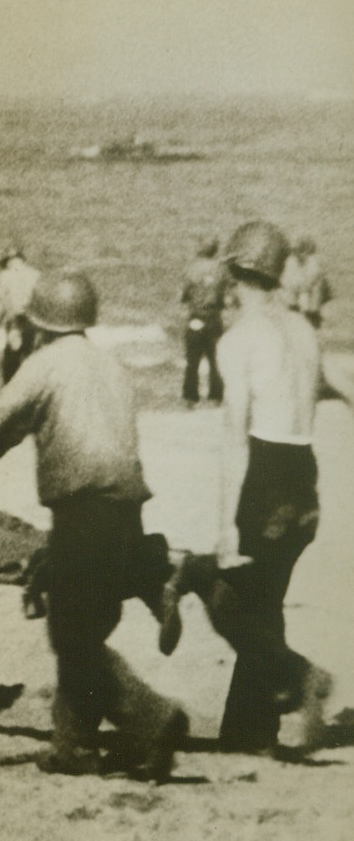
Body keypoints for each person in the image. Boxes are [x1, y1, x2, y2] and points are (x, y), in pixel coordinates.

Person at [0, 270, 189, 781]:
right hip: (128, 511)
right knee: (84, 625)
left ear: (39, 323)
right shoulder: (109, 365)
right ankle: (75, 747)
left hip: (83, 513)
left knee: (70, 633)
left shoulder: (44, 365)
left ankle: (153, 717)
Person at [165, 221, 333, 755]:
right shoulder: (304, 330)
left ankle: (303, 675)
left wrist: (224, 527)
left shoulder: (237, 340)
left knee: (229, 598)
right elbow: (323, 386)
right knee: (266, 600)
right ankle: (248, 729)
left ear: (234, 275)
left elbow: (235, 441)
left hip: (264, 475)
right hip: (304, 475)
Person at [178, 236, 227, 404]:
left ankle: (190, 397)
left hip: (196, 316)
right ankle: (215, 397)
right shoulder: (220, 268)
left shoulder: (192, 268)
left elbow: (184, 295)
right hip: (213, 316)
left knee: (192, 361)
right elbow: (224, 294)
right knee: (215, 361)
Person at [0, 243, 41, 383]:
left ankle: (10, 389)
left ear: (9, 261)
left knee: (11, 359)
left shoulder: (5, 276)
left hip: (15, 320)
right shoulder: (35, 274)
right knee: (30, 355)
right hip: (33, 320)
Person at [280, 236, 332, 330]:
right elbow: (286, 280)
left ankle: (313, 312)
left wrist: (302, 286)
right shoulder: (291, 261)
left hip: (310, 286)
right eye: (296, 252)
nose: (299, 255)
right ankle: (293, 309)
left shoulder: (314, 261)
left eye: (302, 252)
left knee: (317, 286)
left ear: (307, 252)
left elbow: (313, 278)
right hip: (297, 286)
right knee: (289, 291)